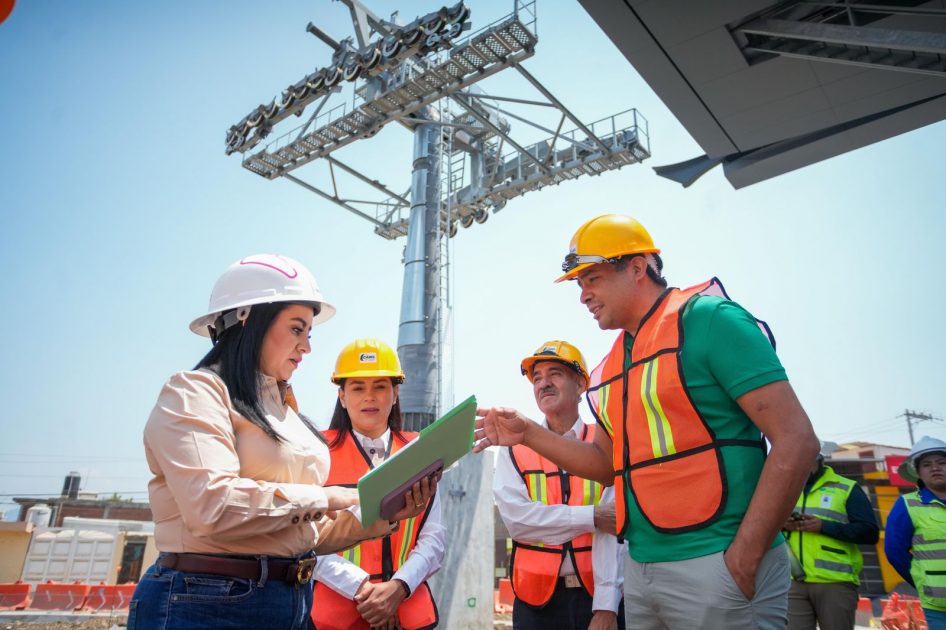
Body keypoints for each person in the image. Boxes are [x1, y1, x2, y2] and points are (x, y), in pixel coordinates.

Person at [475, 214, 820, 629]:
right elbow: (606, 466)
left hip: (718, 563)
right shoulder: (612, 365)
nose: (583, 295)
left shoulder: (710, 319)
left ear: (638, 267)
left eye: (593, 278)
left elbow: (796, 440)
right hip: (642, 570)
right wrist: (528, 433)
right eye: (579, 284)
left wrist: (744, 556)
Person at [130, 255, 434, 630]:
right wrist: (329, 497)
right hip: (205, 601)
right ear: (248, 320)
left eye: (309, 333)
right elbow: (213, 506)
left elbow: (300, 533)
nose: (306, 346)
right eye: (296, 329)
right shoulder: (194, 392)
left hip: (289, 601)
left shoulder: (284, 411)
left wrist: (383, 514)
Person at [312, 338, 445, 630]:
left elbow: (434, 537)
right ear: (342, 396)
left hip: (407, 608)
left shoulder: (421, 450)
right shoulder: (314, 452)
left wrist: (398, 588)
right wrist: (364, 591)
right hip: (337, 613)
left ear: (395, 394)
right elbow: (305, 540)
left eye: (380, 387)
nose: (369, 397)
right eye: (358, 387)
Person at [494, 340, 626, 630]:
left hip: (599, 600)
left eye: (555, 374)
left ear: (581, 386)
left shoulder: (606, 442)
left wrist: (607, 606)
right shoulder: (514, 447)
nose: (544, 384)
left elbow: (616, 527)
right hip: (535, 604)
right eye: (537, 378)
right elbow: (519, 522)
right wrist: (592, 517)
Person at [783, 449, 879, 630]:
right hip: (792, 581)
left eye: (806, 459)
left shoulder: (847, 488)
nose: (801, 465)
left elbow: (869, 532)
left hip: (835, 582)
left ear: (820, 460)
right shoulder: (784, 489)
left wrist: (824, 527)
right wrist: (782, 524)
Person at [885, 436, 946, 629]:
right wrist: (922, 580)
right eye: (927, 465)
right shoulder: (907, 504)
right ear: (918, 472)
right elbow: (895, 552)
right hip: (938, 605)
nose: (935, 468)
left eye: (942, 463)